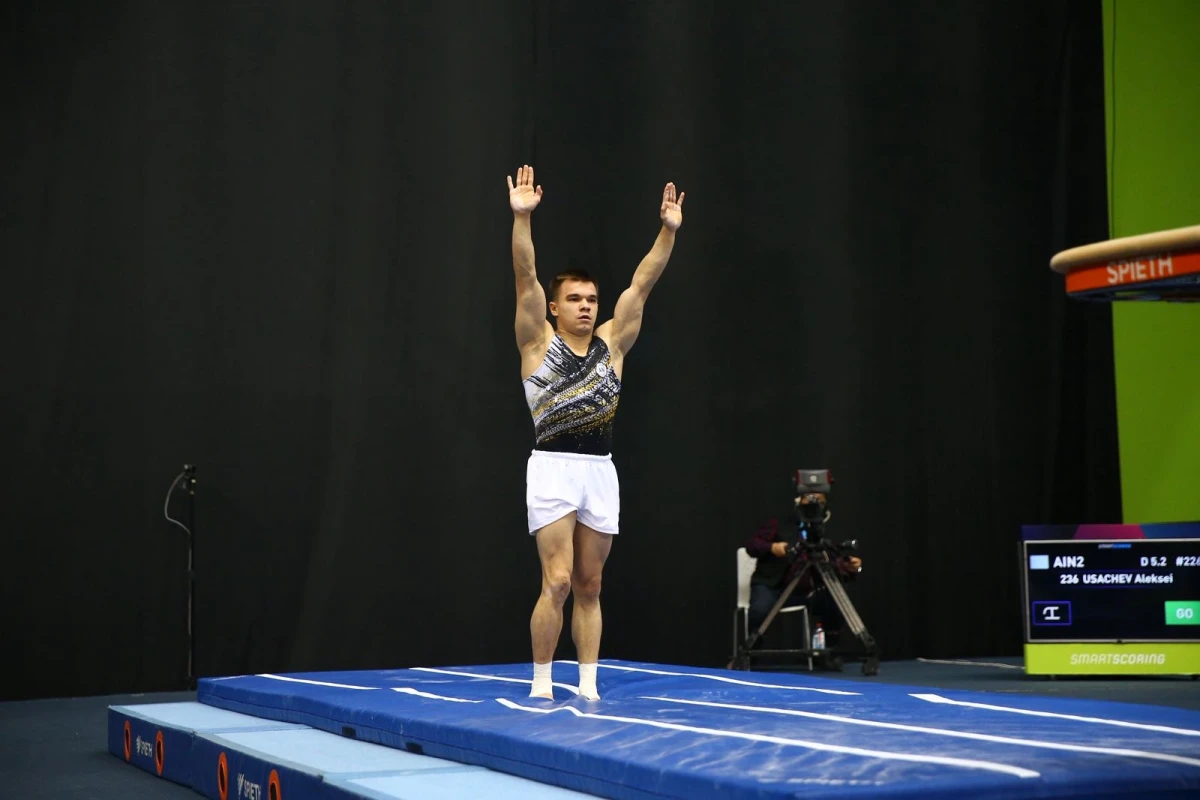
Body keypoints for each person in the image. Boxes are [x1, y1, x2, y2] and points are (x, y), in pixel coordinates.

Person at [508, 164, 684, 700]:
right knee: (557, 581)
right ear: (556, 307)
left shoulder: (614, 344)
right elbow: (525, 277)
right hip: (554, 466)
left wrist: (669, 231)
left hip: (599, 470)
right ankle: (541, 682)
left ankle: (587, 685)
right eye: (576, 300)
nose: (586, 307)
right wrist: (521, 220)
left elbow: (644, 281)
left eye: (591, 299)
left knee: (589, 584)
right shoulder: (537, 342)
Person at [745, 492, 863, 650]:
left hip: (804, 591)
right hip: (772, 586)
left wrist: (849, 567)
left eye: (819, 502)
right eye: (810, 500)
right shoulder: (778, 523)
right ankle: (752, 652)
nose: (814, 506)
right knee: (760, 610)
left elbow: (830, 560)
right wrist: (772, 547)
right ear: (798, 502)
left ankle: (830, 650)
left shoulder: (823, 531)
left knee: (834, 601)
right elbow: (752, 545)